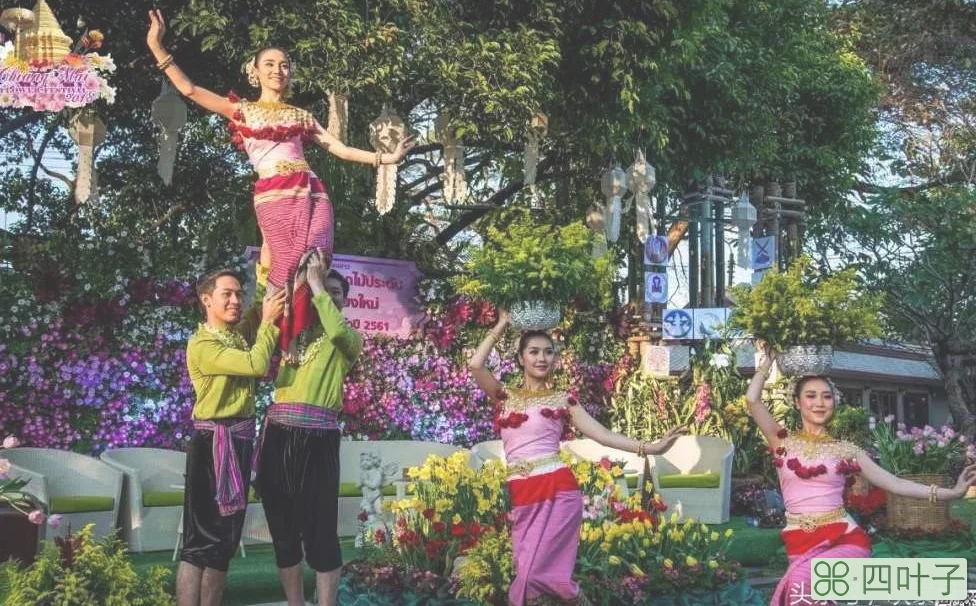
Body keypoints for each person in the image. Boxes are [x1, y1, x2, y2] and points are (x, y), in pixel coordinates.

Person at [146, 10, 414, 357]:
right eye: (269, 64)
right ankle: (278, 338)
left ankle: (304, 336)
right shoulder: (241, 110)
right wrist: (156, 44)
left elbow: (340, 148)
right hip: (274, 196)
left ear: (290, 74)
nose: (277, 70)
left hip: (313, 192)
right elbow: (190, 89)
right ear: (255, 72)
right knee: (285, 265)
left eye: (284, 65)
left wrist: (385, 160)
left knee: (316, 261)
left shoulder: (301, 116)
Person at [469, 311, 688, 606]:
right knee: (526, 575)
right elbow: (475, 364)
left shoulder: (563, 400)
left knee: (540, 575)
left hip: (558, 490)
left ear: (556, 359)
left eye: (548, 352)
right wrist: (501, 325)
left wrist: (652, 448)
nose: (541, 358)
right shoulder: (505, 396)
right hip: (522, 493)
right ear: (521, 358)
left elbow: (601, 433)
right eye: (533, 352)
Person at [746, 346, 976, 606]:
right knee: (807, 595)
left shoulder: (847, 451)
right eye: (811, 396)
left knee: (803, 580)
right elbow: (753, 401)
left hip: (844, 538)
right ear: (797, 402)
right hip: (799, 538)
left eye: (826, 396)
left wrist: (952, 492)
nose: (819, 403)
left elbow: (895, 483)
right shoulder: (781, 441)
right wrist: (765, 367)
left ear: (835, 402)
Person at [254, 251, 363, 606]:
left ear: (344, 303)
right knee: (283, 531)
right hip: (278, 436)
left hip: (319, 440)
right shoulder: (292, 332)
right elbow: (268, 298)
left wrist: (317, 281)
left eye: (336, 293)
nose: (328, 297)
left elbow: (335, 327)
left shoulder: (347, 339)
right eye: (324, 290)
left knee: (320, 531)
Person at [180, 265, 286, 606]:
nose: (236, 300)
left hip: (238, 442)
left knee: (225, 542)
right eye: (227, 294)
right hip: (212, 444)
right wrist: (269, 323)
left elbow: (258, 306)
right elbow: (256, 364)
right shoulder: (203, 344)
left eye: (238, 293)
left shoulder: (236, 335)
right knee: (199, 544)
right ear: (206, 300)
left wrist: (268, 263)